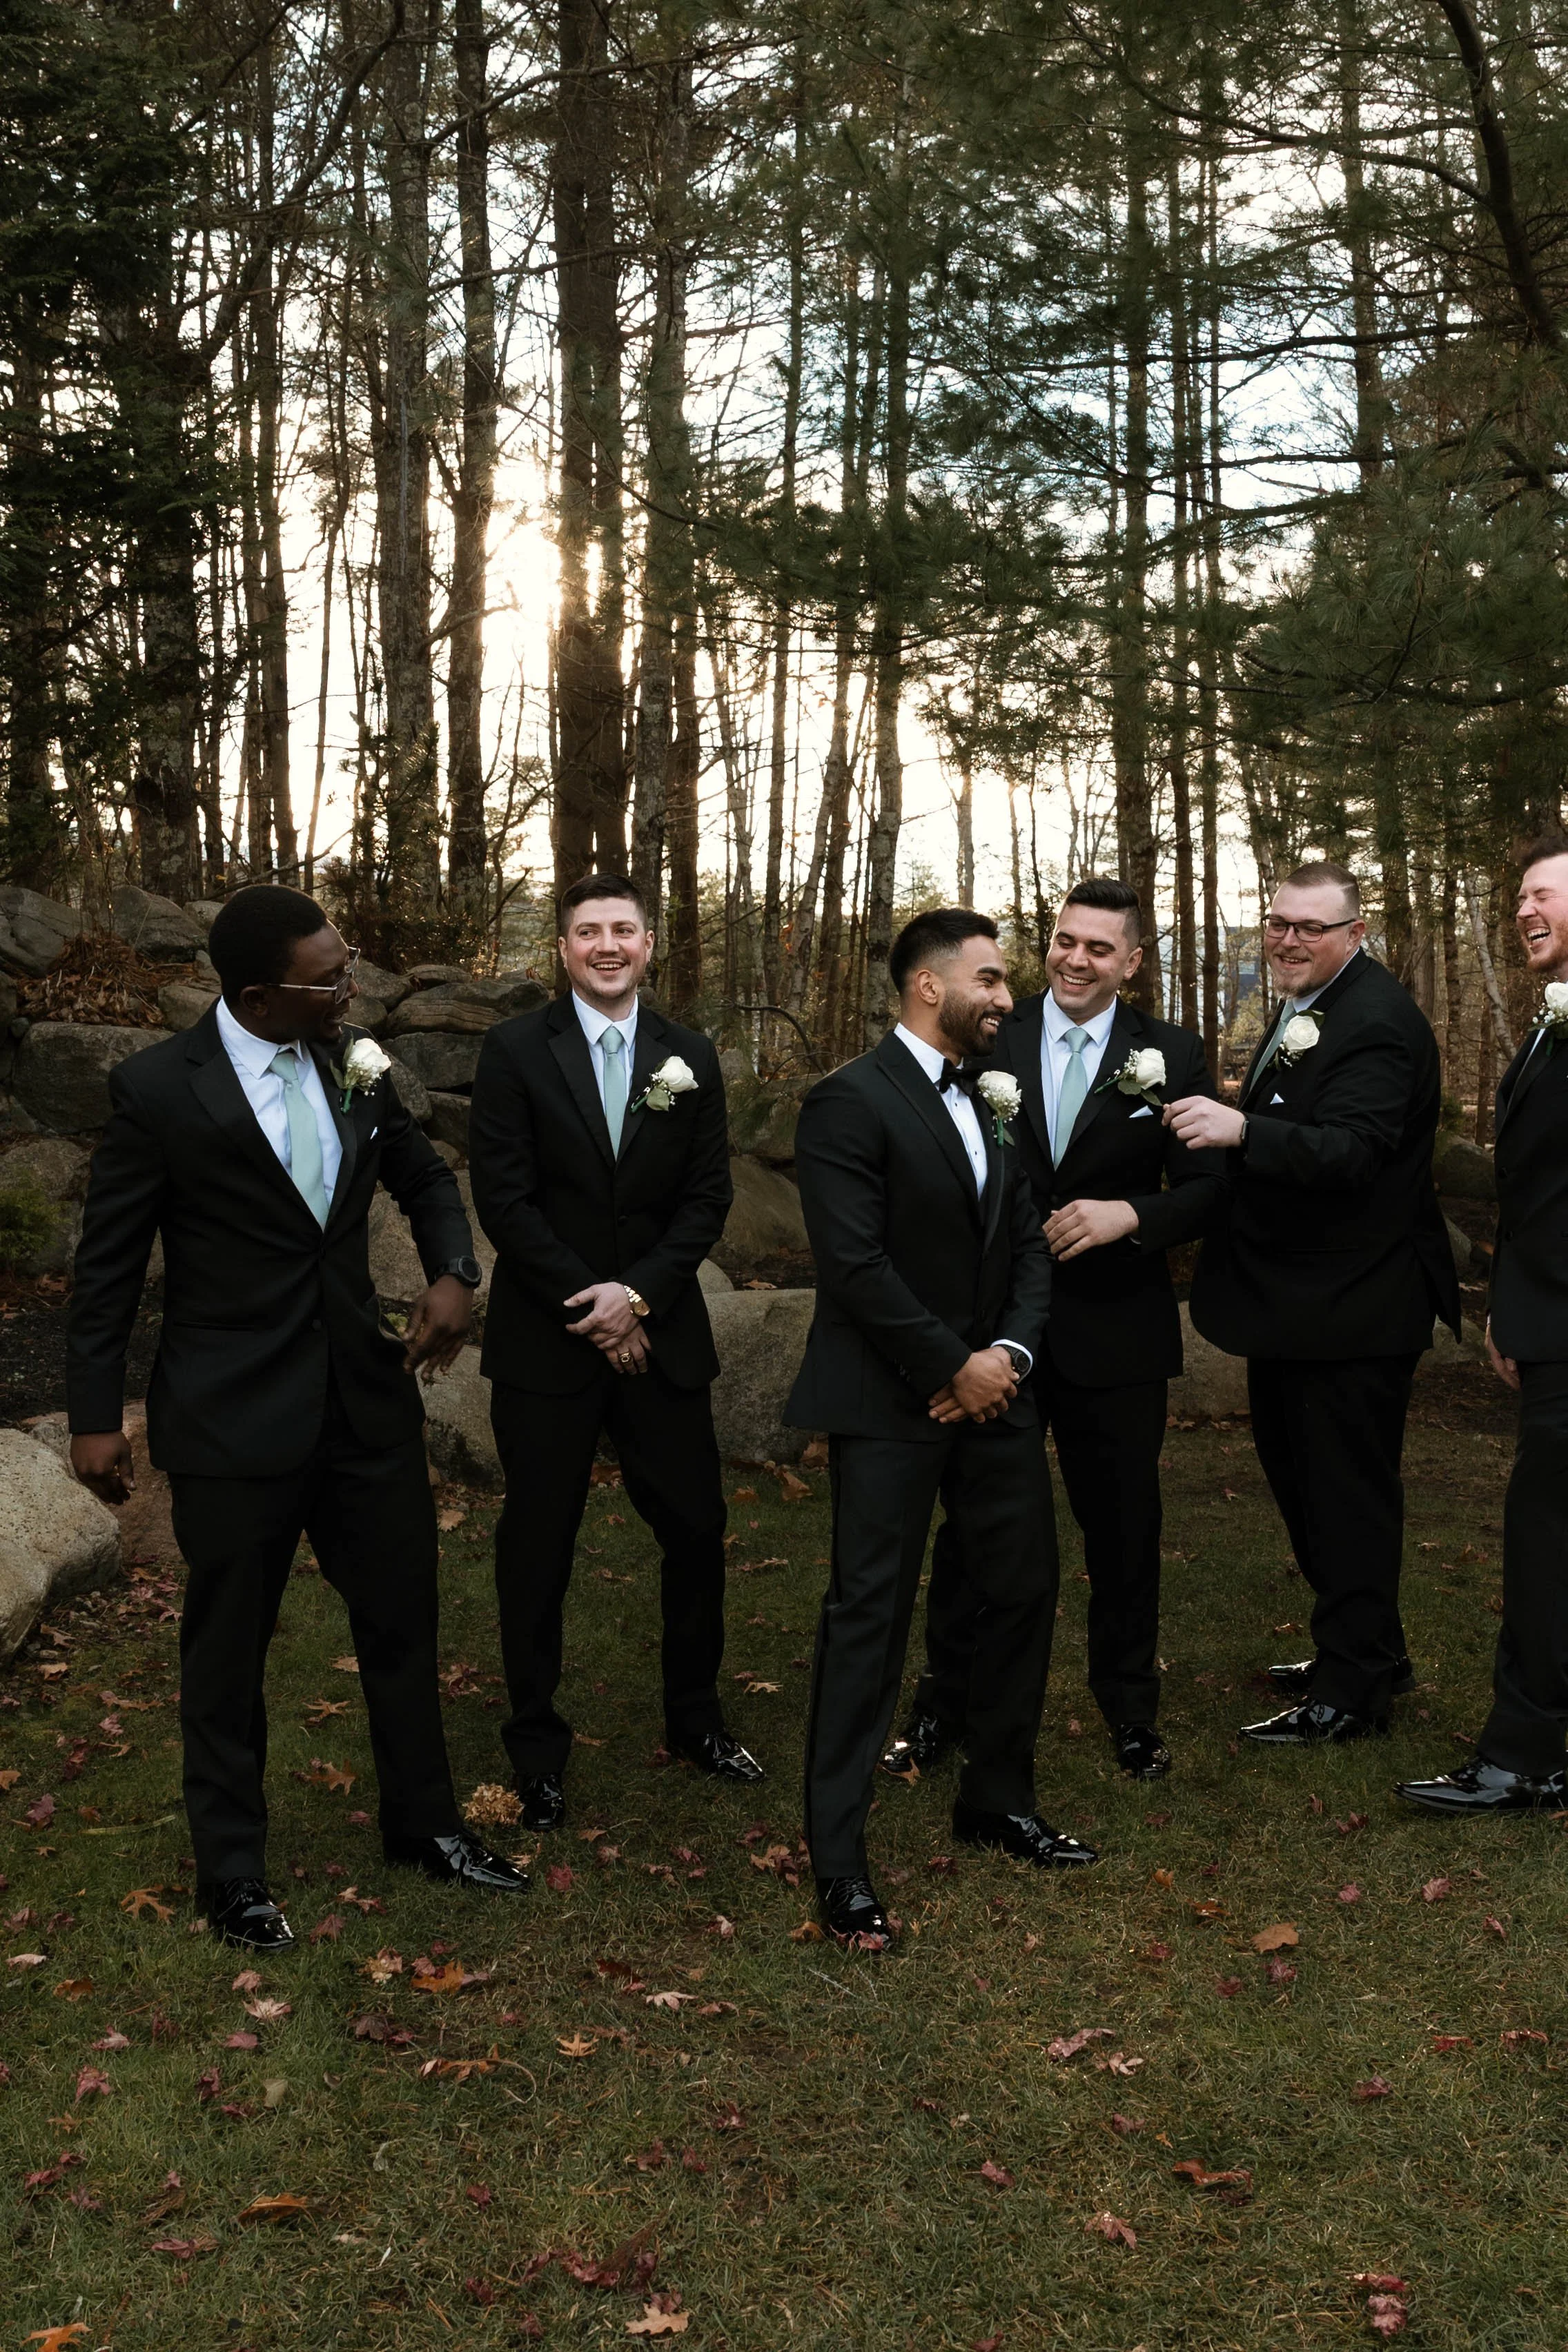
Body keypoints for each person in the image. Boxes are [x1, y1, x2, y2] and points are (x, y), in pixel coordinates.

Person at [67, 885, 526, 1952]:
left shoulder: (349, 1060)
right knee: (228, 1651)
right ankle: (233, 1875)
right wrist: (96, 1416)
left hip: (363, 1410)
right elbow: (106, 1272)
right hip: (232, 1421)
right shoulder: (156, 1092)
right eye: (330, 974)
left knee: (403, 1624)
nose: (349, 983)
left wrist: (455, 1272)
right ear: (261, 995)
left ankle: (426, 1829)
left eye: (348, 960)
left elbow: (422, 1174)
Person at [788, 908, 1095, 1954]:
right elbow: (855, 1266)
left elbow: (1030, 1246)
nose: (1011, 997)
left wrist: (1003, 1361)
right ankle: (839, 1857)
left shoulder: (995, 1100)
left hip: (994, 1399)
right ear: (930, 987)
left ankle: (997, 1799)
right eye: (994, 979)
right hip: (890, 1401)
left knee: (1021, 1589)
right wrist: (948, 1365)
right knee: (868, 1616)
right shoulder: (846, 1103)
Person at [885, 877, 1225, 1787]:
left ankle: (1129, 1708)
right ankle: (942, 1702)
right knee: (973, 1533)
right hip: (995, 1335)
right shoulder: (994, 1029)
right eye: (1066, 942)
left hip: (1117, 1332)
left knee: (1123, 1529)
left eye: (1099, 949)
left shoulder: (1175, 1053)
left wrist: (1134, 1218)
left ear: (1134, 963)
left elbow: (1208, 1189)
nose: (1076, 960)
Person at [467, 872, 759, 1834]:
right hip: (547, 1345)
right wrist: (593, 1302)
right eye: (587, 931)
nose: (605, 945)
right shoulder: (513, 1050)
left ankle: (696, 1720)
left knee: (695, 1529)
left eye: (622, 930)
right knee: (539, 1548)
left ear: (648, 944)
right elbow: (505, 1199)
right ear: (561, 949)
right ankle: (537, 1749)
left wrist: (637, 1296)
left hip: (660, 1338)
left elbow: (706, 1199)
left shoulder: (691, 1055)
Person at [1166, 860, 1460, 1745]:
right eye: (1278, 923)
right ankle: (1368, 1646)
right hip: (1302, 1306)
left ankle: (1352, 1694)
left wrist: (1243, 1128)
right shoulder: (1309, 1007)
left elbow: (1354, 1152)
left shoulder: (1374, 1023)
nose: (1289, 939)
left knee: (1343, 1494)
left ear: (1354, 935)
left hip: (1357, 1307)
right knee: (1303, 1484)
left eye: (1310, 928)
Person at [1399, 836, 1568, 1814]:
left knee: (1543, 1541)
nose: (1523, 912)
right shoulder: (1549, 1026)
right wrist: (1509, 1305)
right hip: (1546, 1319)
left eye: (1542, 895)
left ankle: (1524, 1756)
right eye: (1518, 901)